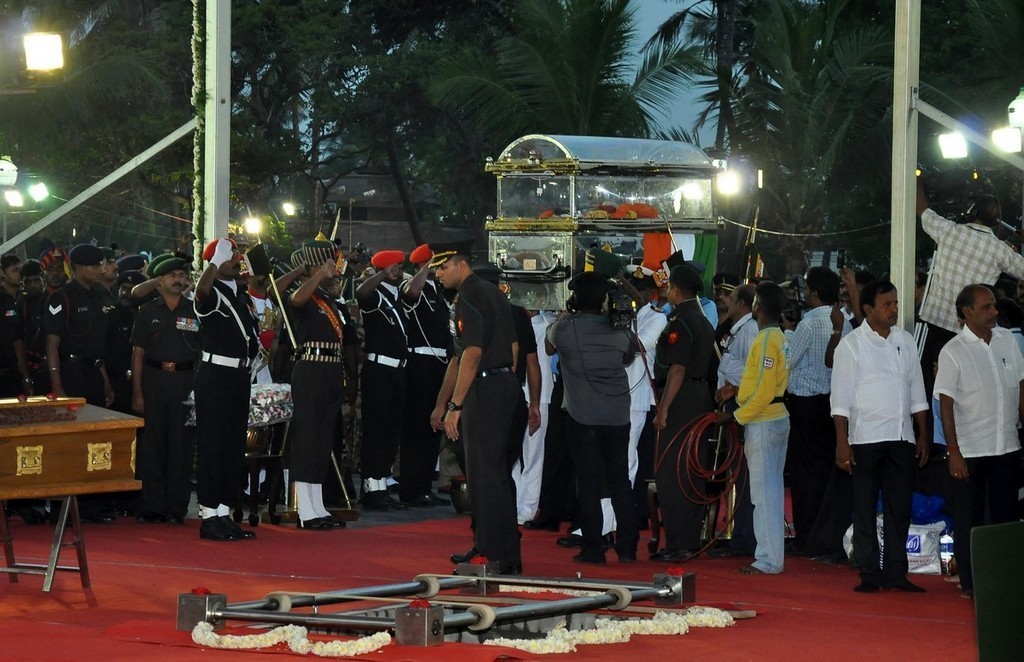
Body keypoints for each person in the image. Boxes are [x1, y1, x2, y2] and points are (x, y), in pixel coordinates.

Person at [831, 280, 929, 593]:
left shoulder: (905, 340)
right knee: (865, 507)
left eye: (896, 303)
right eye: (887, 304)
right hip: (865, 439)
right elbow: (840, 400)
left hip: (902, 437)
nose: (894, 310)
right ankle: (869, 574)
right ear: (868, 309)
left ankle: (897, 573)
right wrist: (841, 442)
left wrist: (923, 434)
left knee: (900, 508)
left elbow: (917, 391)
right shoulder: (852, 345)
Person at [430, 243, 522, 574]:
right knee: (496, 475)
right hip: (503, 383)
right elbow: (510, 347)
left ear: (461, 265)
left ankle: (492, 557)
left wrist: (455, 405)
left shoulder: (467, 296)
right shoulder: (494, 293)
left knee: (484, 477)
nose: (439, 274)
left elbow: (471, 353)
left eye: (443, 267)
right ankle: (501, 552)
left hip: (484, 387)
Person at [934, 284, 1023, 599]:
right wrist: (953, 451)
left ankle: (1003, 579)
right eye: (986, 307)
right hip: (970, 451)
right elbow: (945, 405)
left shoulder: (1008, 341)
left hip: (1007, 446)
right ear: (967, 312)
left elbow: (1020, 387)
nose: (994, 311)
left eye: (995, 305)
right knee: (968, 518)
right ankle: (971, 584)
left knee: (1004, 517)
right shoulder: (953, 351)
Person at [546, 272, 638, 564]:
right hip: (617, 415)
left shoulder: (564, 329)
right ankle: (627, 548)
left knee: (588, 484)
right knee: (620, 481)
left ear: (574, 300)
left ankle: (593, 548)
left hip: (582, 416)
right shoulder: (621, 331)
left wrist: (565, 317)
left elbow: (549, 348)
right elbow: (628, 357)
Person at [917, 177, 1024, 397]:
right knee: (964, 394)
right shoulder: (1001, 250)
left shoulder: (949, 231)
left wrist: (917, 178)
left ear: (972, 211)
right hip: (970, 332)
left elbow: (922, 209)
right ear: (996, 221)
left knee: (929, 389)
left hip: (934, 325)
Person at [717, 281, 791, 574]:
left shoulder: (765, 340)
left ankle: (769, 560)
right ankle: (771, 556)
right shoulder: (778, 337)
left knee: (764, 494)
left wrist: (736, 417)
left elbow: (762, 391)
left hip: (763, 419)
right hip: (773, 417)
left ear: (757, 307)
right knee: (770, 491)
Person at [193, 238, 259, 541]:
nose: (238, 260)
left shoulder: (238, 295)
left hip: (239, 374)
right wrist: (214, 262)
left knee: (233, 445)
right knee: (213, 443)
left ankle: (224, 511)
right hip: (216, 374)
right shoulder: (214, 292)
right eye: (232, 256)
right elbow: (201, 295)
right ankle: (208, 515)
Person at [651, 264, 716, 561]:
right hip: (700, 395)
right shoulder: (703, 320)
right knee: (692, 468)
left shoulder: (680, 321)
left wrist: (663, 408)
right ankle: (689, 538)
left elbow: (677, 369)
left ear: (676, 289)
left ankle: (678, 543)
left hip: (681, 397)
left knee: (673, 471)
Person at [784, 266, 850, 554]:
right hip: (832, 404)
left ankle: (805, 536)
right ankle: (824, 536)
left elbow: (789, 362)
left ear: (813, 292)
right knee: (825, 471)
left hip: (805, 404)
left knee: (804, 474)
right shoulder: (844, 322)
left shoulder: (808, 323)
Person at [130, 254, 199, 525]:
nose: (178, 280)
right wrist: (137, 392)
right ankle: (152, 505)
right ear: (160, 281)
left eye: (182, 276)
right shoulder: (148, 311)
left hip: (184, 382)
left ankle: (176, 507)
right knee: (152, 444)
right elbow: (137, 353)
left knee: (180, 446)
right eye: (172, 276)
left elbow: (201, 353)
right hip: (154, 379)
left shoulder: (194, 310)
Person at [285, 239, 348, 530]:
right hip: (310, 368)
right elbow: (295, 299)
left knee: (323, 440)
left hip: (331, 370)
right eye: (326, 266)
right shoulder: (307, 296)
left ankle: (318, 506)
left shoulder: (328, 300)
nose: (333, 272)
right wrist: (317, 276)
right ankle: (305, 511)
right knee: (308, 437)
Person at [398, 244, 453, 507]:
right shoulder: (412, 284)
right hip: (420, 361)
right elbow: (409, 295)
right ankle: (411, 487)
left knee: (434, 426)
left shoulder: (439, 291)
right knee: (417, 427)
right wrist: (426, 268)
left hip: (440, 361)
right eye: (437, 264)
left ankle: (424, 486)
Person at [355, 249, 410, 511]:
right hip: (379, 369)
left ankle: (382, 484)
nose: (399, 270)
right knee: (376, 430)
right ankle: (371, 487)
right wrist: (380, 273)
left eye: (399, 266)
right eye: (394, 267)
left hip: (398, 370)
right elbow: (361, 294)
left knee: (391, 431)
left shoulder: (397, 295)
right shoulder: (375, 295)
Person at [711, 283, 759, 557]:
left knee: (744, 474)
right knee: (737, 474)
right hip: (732, 401)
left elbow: (754, 375)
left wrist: (736, 392)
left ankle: (745, 538)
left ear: (741, 302)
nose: (725, 301)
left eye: (730, 297)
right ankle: (739, 534)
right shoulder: (740, 329)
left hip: (742, 405)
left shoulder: (750, 330)